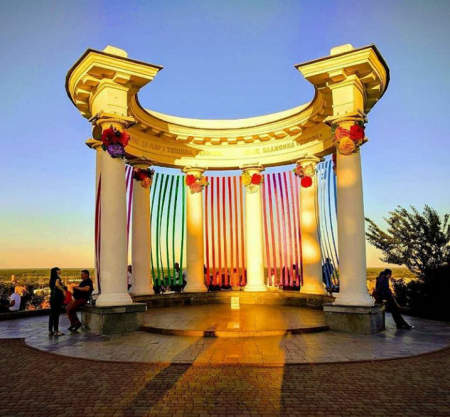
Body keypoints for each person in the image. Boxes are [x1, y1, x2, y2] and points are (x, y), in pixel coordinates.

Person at [48, 267, 65, 336]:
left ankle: (50, 330)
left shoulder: (51, 279)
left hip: (52, 298)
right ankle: (56, 331)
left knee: (52, 314)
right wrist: (63, 290)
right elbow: (57, 284)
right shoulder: (57, 278)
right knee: (56, 314)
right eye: (59, 270)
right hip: (57, 298)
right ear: (57, 271)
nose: (60, 271)